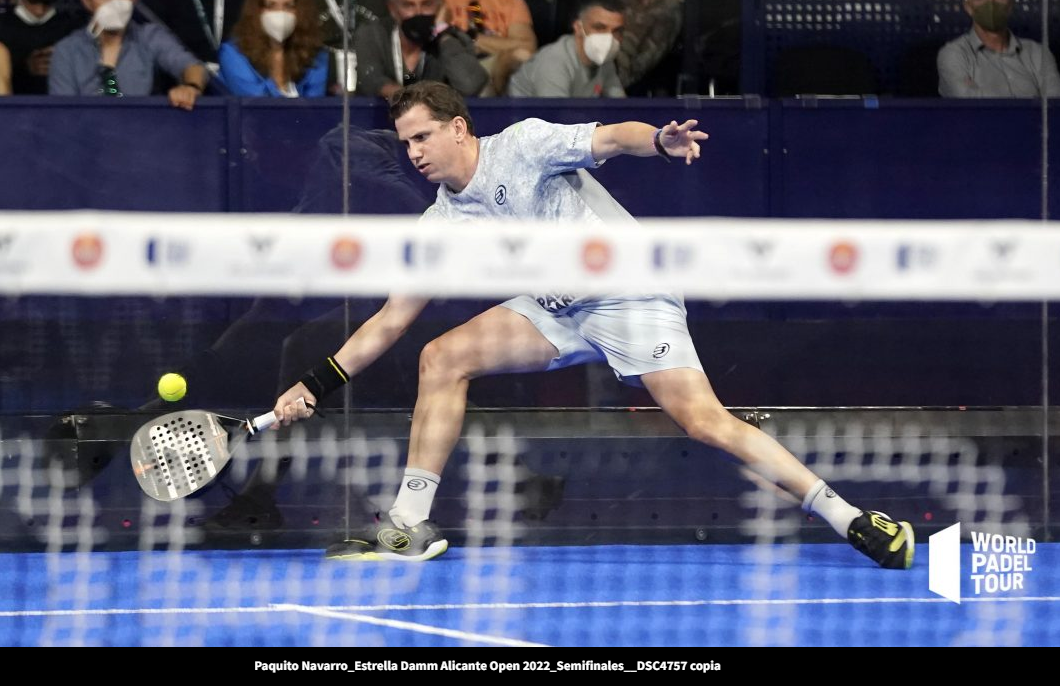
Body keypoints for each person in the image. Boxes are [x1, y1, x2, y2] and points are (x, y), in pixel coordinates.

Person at [273, 80, 915, 570]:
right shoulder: (441, 222)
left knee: (704, 421)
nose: (413, 153)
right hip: (556, 310)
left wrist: (659, 141)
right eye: (406, 143)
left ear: (459, 128)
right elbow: (391, 319)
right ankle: (410, 524)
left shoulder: (523, 146)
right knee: (441, 357)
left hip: (628, 292)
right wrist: (314, 384)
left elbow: (611, 138)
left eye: (423, 137)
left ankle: (850, 517)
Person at [49, 0, 207, 110]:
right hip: (88, 139)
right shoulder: (67, 50)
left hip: (141, 136)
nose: (114, 3)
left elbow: (193, 67)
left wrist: (190, 87)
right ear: (87, 2)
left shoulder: (150, 37)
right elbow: (62, 113)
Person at [354, 0, 487, 98]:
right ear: (393, 9)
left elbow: (470, 85)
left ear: (440, 7)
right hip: (376, 122)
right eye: (408, 5)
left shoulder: (455, 39)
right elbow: (371, 80)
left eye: (427, 4)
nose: (418, 13)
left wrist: (442, 34)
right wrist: (409, 98)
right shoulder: (373, 34)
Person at [938, 0, 1060, 98]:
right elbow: (970, 105)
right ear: (968, 7)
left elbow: (1054, 107)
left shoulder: (1038, 53)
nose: (991, 3)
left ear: (1011, 5)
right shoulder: (953, 55)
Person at [507, 0, 624, 98]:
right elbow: (556, 115)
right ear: (578, 27)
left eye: (616, 31)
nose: (609, 38)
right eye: (599, 28)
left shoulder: (605, 60)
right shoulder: (553, 62)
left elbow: (620, 106)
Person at [218, 0, 329, 97]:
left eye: (288, 6)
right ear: (257, 10)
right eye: (271, 5)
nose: (280, 14)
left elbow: (315, 106)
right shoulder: (233, 53)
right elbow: (257, 104)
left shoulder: (317, 55)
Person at [442, 0, 536, 95]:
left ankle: (496, 99)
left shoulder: (511, 2)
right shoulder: (442, 3)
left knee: (522, 54)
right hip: (456, 61)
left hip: (495, 64)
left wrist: (472, 38)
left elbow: (526, 45)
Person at [0, 0, 85, 95]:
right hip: (17, 101)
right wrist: (23, 67)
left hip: (71, 102)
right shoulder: (3, 26)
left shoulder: (77, 27)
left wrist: (62, 62)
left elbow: (95, 85)